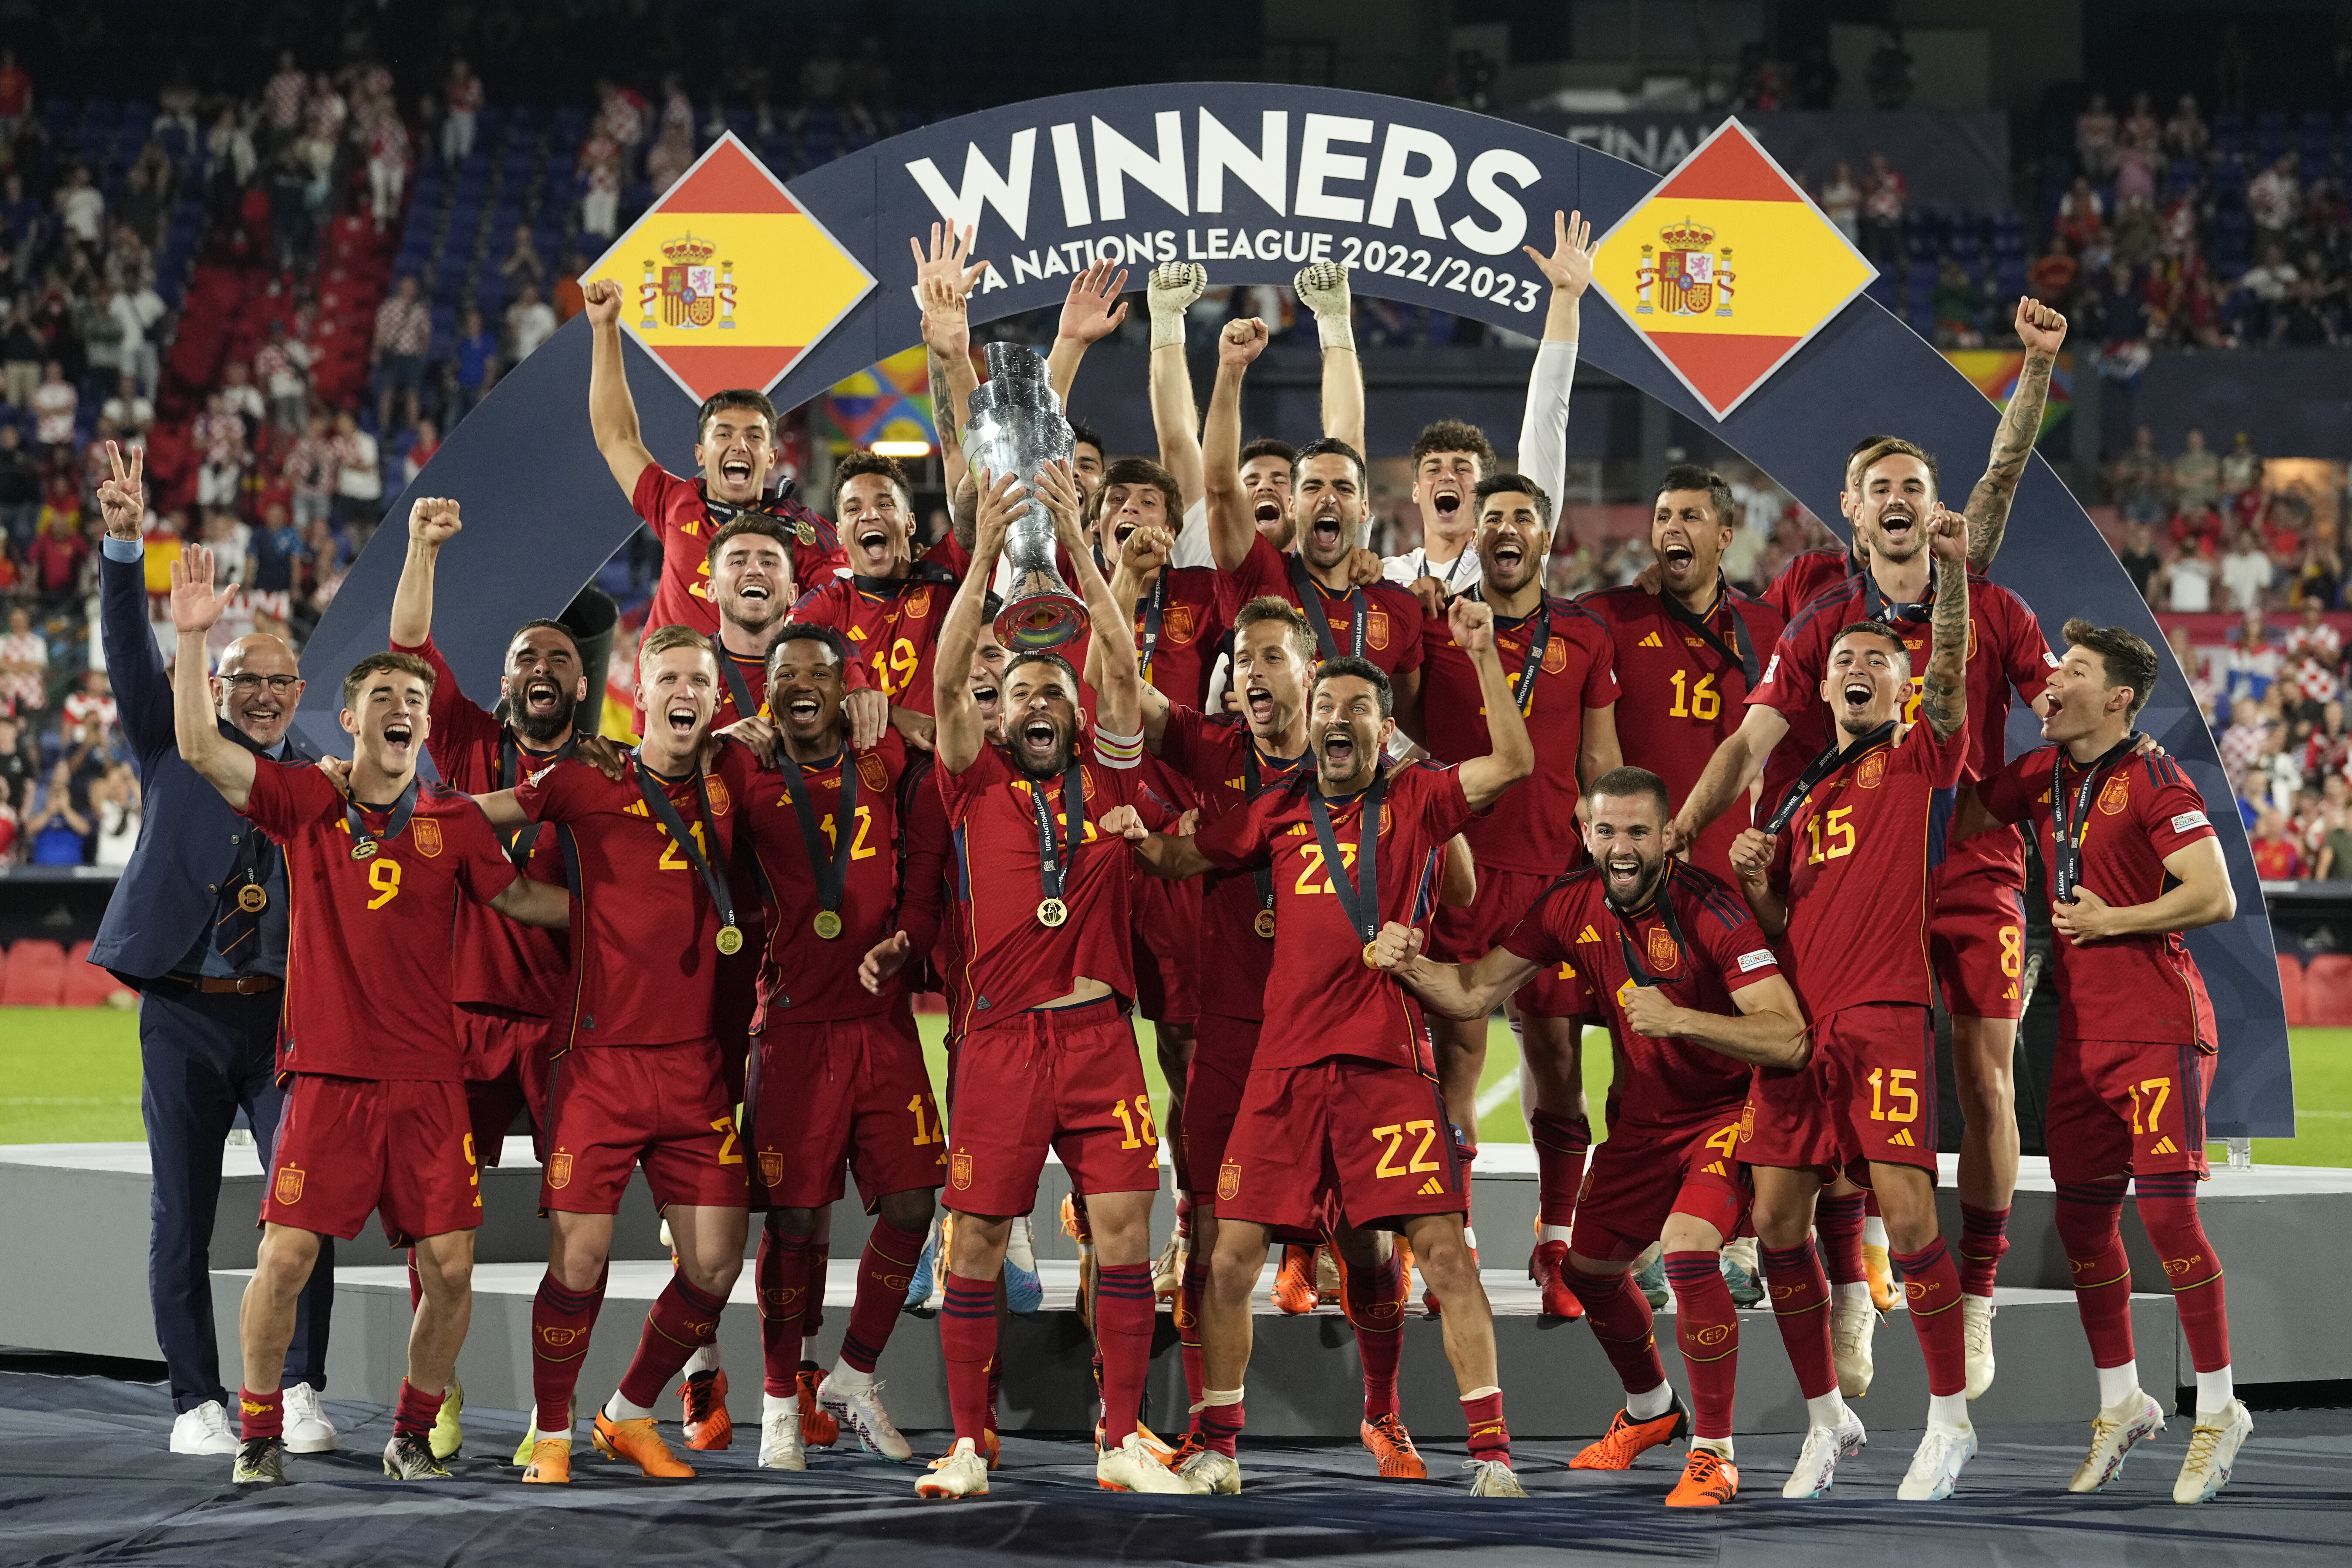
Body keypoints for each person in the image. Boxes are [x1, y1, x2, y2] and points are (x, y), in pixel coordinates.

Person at [167, 539, 569, 1489]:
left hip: (432, 1081)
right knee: (288, 1254)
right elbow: (198, 748)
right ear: (346, 718)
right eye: (383, 700)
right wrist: (192, 645)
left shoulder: (457, 824)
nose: (403, 711)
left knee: (453, 1268)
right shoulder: (308, 802)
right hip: (332, 1077)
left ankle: (412, 1428)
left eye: (415, 701)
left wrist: (629, 910)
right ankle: (259, 1430)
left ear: (430, 725)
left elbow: (520, 903)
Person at [1679, 433, 2064, 1399]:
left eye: (1913, 487)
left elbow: (2064, 723)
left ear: (1939, 511)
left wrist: (2002, 801)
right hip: (1850, 868)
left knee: (1985, 1079)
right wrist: (1680, 833)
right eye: (1879, 488)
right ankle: (1849, 1283)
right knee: (1833, 1063)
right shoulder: (1822, 626)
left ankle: (1974, 1298)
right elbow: (1748, 742)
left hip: (1972, 871)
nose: (1897, 499)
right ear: (1851, 512)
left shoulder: (1995, 608)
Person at [1133, 589, 1534, 1498]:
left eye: (1357, 708)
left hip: (1384, 1069)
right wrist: (1120, 832)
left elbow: (1513, 761)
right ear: (1308, 721)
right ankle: (1218, 1447)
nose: (1337, 720)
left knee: (1430, 1248)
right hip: (1280, 1072)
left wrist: (1482, 656)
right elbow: (1187, 854)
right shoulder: (1274, 809)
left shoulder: (1416, 798)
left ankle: (1488, 1450)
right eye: (1327, 709)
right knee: (1227, 1259)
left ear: (1383, 728)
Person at [1381, 766, 1808, 1507]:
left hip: (1725, 1111)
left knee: (1685, 1249)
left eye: (1638, 832)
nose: (1620, 847)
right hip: (1641, 1122)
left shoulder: (1711, 909)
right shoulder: (1566, 903)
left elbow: (1790, 1036)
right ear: (1583, 832)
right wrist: (1406, 961)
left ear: (1667, 837)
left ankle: (1714, 1452)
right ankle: (1652, 1410)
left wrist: (1679, 1018)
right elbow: (1476, 990)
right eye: (1605, 830)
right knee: (1587, 1272)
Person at [910, 459, 1189, 1499]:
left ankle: (1118, 1437)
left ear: (1074, 713)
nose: (1038, 700)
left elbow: (1117, 657)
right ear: (998, 711)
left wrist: (1079, 550)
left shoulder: (1109, 772)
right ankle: (972, 1443)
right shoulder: (970, 776)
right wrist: (986, 548)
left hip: (1098, 1038)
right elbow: (945, 681)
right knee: (977, 1234)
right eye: (1020, 689)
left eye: (1051, 691)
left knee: (1124, 1232)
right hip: (997, 1041)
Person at [1954, 621, 2251, 1502]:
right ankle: (2121, 1402)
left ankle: (2221, 1409)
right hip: (2080, 1036)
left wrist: (2110, 920)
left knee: (2166, 1225)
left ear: (2118, 697)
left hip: (2159, 1028)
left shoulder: (2157, 780)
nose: (2051, 682)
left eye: (2072, 672)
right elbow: (1971, 812)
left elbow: (2216, 894)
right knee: (2084, 1228)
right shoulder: (2045, 775)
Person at [81, 446, 336, 1458]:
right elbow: (124, 648)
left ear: (301, 688)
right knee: (181, 1215)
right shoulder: (167, 736)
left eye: (280, 679)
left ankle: (302, 1386)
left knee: (302, 1209)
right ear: (218, 681)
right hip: (182, 1010)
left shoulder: (321, 779)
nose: (264, 693)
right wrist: (123, 547)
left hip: (282, 1016)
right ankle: (196, 1398)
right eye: (246, 677)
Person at [1725, 501, 1979, 1500]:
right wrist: (1756, 881)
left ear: (1903, 685)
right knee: (1778, 1216)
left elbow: (1953, 677)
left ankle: (1950, 1420)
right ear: (1822, 682)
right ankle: (1828, 1416)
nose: (1860, 666)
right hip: (1802, 1029)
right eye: (1844, 660)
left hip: (1884, 1011)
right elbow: (1791, 916)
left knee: (1910, 1215)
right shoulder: (1796, 799)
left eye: (1880, 659)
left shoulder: (1920, 756)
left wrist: (1950, 577)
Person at [474, 627, 765, 1487]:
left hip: (695, 1069)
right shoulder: (586, 778)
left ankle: (629, 1412)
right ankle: (554, 1432)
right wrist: (398, 815)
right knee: (579, 1260)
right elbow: (484, 816)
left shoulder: (731, 784)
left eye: (699, 681)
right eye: (667, 676)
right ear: (640, 694)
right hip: (598, 1064)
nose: (684, 691)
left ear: (716, 701)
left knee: (715, 1265)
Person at [387, 496, 590, 1463]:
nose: (540, 670)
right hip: (456, 1027)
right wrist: (424, 549)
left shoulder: (609, 770)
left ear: (584, 682)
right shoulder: (464, 741)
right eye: (525, 659)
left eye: (557, 658)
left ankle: (553, 1416)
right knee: (438, 1226)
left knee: (575, 1226)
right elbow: (409, 640)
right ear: (503, 683)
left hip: (564, 1030)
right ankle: (438, 1394)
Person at [732, 624, 940, 1470]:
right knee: (795, 1219)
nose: (806, 683)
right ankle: (781, 1396)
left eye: (824, 671)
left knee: (913, 1204)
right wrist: (718, 736)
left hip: (883, 1025)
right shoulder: (739, 770)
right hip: (791, 1029)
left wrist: (907, 943)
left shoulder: (884, 757)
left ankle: (853, 1373)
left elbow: (922, 879)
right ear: (769, 691)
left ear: (846, 685)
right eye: (789, 674)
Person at [1416, 473, 1618, 1317]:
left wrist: (1614, 866)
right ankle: (1454, 1243)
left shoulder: (1586, 634)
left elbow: (1601, 763)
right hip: (1461, 874)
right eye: (1492, 516)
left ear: (1546, 536)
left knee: (1559, 1064)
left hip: (1555, 880)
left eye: (1521, 517)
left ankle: (1554, 1242)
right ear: (1475, 538)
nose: (1506, 528)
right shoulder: (1434, 625)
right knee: (1456, 1066)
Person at [582, 277, 844, 635]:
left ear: (770, 457)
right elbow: (616, 437)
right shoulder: (676, 503)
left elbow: (854, 601)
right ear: (701, 455)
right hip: (669, 690)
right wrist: (605, 327)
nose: (739, 446)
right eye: (724, 435)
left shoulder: (804, 532)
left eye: (754, 437)